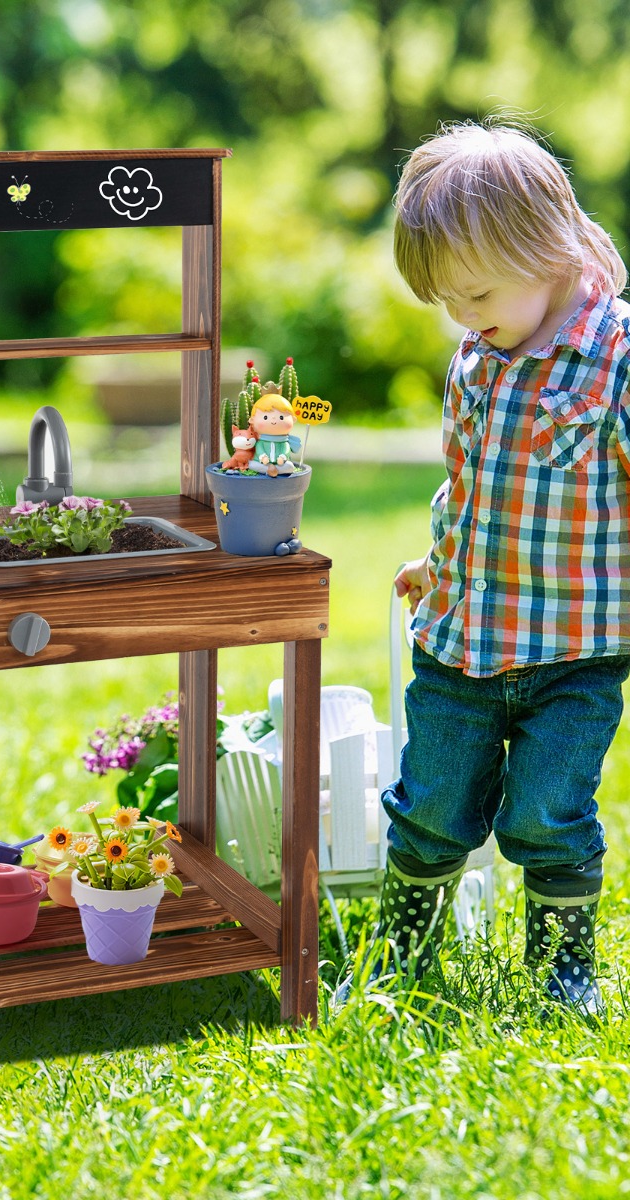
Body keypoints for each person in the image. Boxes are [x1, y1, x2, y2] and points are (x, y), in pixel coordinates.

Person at [337, 122, 630, 1016]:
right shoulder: (477, 357)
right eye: (446, 301)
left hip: (577, 652)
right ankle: (406, 956)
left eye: (476, 291)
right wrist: (440, 558)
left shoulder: (614, 359)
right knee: (427, 809)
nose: (464, 315)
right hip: (461, 646)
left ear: (545, 246)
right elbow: (473, 481)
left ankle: (562, 971)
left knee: (546, 818)